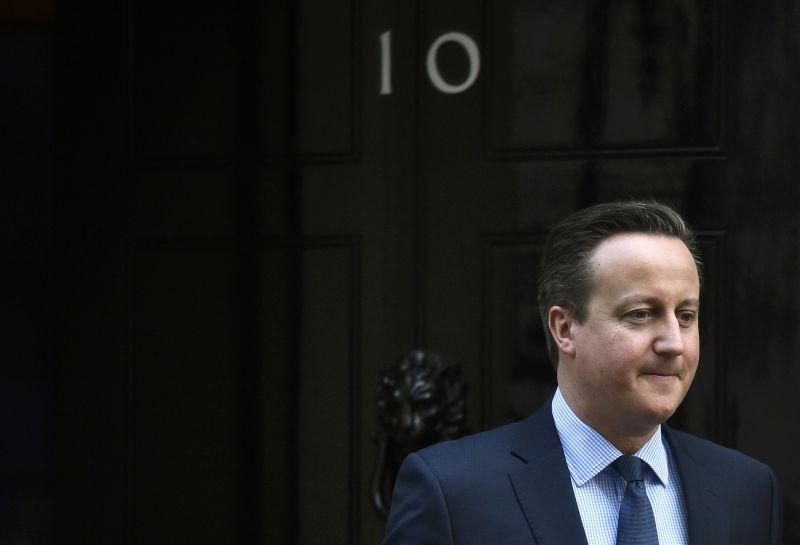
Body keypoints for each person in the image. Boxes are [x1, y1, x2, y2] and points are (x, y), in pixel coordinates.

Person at [382, 201, 782, 545]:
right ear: (564, 328)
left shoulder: (747, 490)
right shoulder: (453, 491)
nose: (674, 343)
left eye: (686, 315)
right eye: (641, 314)